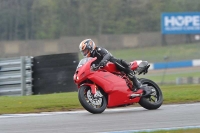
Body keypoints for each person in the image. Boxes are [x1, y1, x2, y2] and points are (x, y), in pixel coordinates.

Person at [79, 39, 152, 96]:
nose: (84, 53)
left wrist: (103, 62)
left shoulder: (99, 50)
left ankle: (139, 85)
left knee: (119, 64)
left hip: (111, 63)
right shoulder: (90, 58)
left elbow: (107, 55)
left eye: (85, 50)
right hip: (104, 71)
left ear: (90, 47)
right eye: (83, 51)